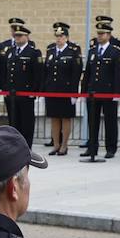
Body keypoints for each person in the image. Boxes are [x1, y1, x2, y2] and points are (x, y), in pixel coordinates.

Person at [80, 22, 120, 161]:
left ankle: (111, 148)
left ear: (109, 35)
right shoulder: (93, 51)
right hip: (93, 92)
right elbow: (87, 73)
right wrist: (83, 91)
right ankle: (92, 147)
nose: (99, 36)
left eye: (102, 33)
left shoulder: (115, 51)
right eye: (98, 33)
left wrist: (117, 93)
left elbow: (118, 74)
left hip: (108, 92)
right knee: (92, 121)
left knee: (110, 121)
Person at [42, 25, 82, 154]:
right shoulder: (51, 51)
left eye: (61, 36)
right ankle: (56, 144)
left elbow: (76, 74)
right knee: (54, 118)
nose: (59, 39)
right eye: (57, 36)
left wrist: (74, 93)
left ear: (66, 38)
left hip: (66, 90)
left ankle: (64, 145)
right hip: (52, 90)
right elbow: (46, 71)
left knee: (65, 118)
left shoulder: (72, 51)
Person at [1, 25, 42, 146]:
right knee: (13, 123)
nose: (17, 38)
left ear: (27, 36)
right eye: (16, 35)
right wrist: (5, 88)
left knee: (26, 123)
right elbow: (5, 71)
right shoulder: (10, 51)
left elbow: (37, 74)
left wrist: (34, 91)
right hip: (11, 94)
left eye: (20, 35)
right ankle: (14, 146)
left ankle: (26, 146)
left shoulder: (33, 52)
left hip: (26, 94)